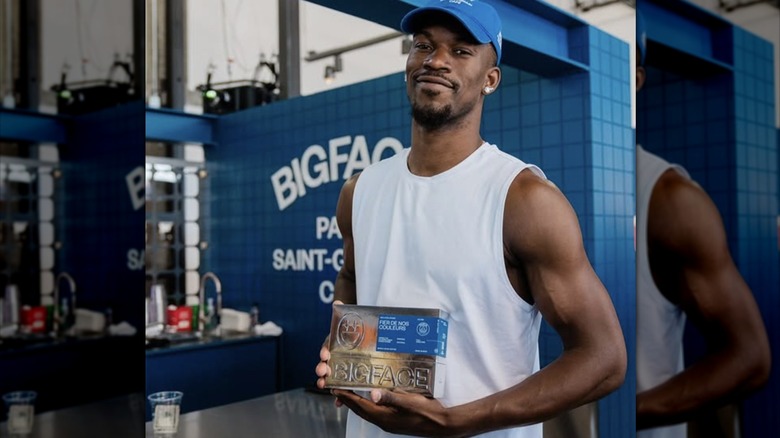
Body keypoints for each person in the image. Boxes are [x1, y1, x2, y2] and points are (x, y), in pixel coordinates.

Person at [314, 1, 627, 437]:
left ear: (490, 79)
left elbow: (604, 359)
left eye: (461, 51)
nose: (436, 60)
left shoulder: (523, 199)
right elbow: (351, 278)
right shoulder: (359, 190)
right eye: (423, 45)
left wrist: (453, 421)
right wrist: (345, 345)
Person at [634, 12, 771, 437]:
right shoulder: (528, 182)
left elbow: (748, 357)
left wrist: (622, 414)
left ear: (636, 78)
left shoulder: (670, 199)